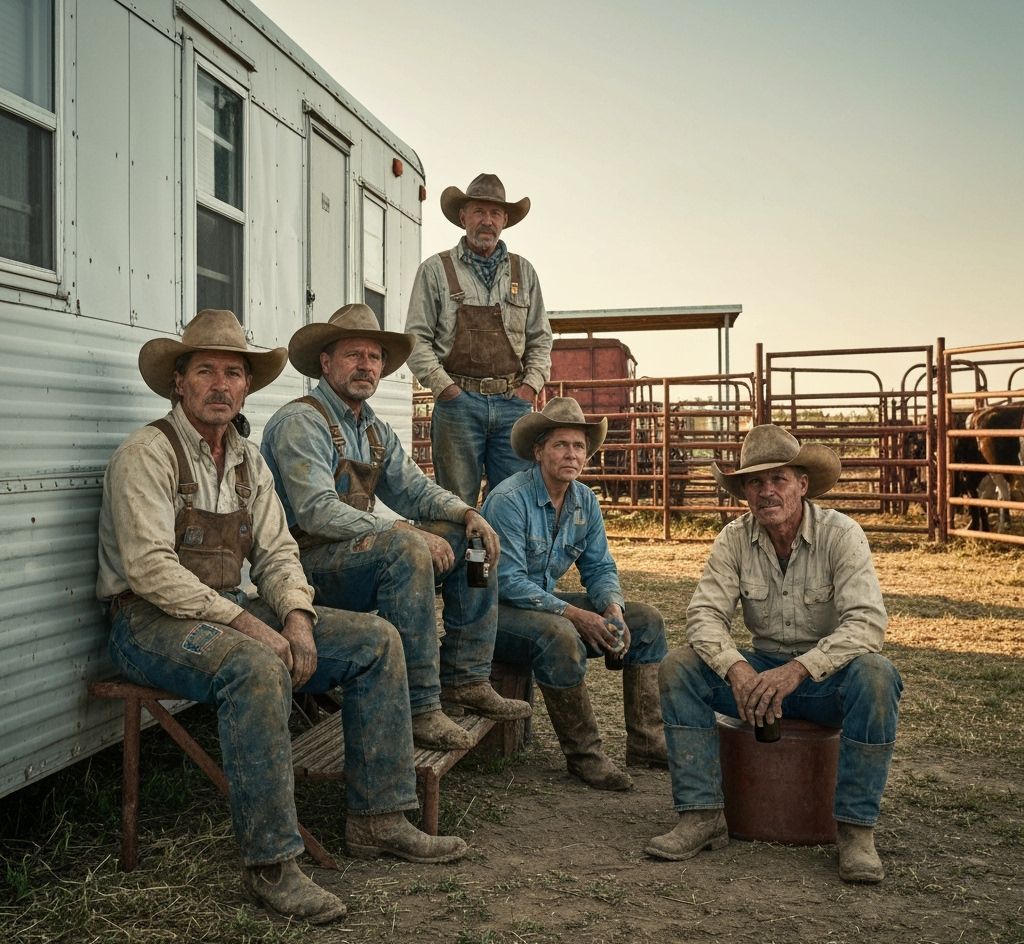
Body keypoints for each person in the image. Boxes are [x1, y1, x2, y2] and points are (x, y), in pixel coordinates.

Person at [97, 310, 467, 925]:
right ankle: (271, 864)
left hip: (227, 609)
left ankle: (378, 817)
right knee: (256, 667)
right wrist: (254, 628)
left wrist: (296, 615)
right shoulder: (146, 454)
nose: (221, 384)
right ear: (179, 383)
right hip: (148, 624)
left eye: (234, 373)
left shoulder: (248, 461)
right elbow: (151, 572)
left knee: (376, 640)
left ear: (247, 387)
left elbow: (277, 552)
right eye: (207, 370)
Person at [261, 303, 531, 753]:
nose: (365, 366)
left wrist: (467, 513)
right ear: (325, 363)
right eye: (353, 355)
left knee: (473, 545)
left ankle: (466, 677)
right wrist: (402, 533)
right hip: (303, 568)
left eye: (374, 357)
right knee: (403, 548)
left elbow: (415, 489)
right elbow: (316, 513)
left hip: (355, 558)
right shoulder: (301, 421)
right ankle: (419, 705)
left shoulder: (372, 429)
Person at [645, 424, 903, 883]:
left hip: (827, 677)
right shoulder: (733, 538)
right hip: (760, 672)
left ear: (802, 484)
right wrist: (738, 668)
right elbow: (704, 616)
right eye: (754, 482)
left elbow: (866, 623)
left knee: (877, 675)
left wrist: (800, 669)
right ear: (744, 492)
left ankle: (856, 831)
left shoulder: (842, 534)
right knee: (679, 667)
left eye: (778, 479)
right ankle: (701, 816)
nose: (767, 492)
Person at [481, 398, 669, 791]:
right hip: (494, 614)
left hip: (543, 607)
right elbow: (510, 582)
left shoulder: (585, 500)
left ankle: (648, 743)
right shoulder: (508, 500)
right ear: (538, 452)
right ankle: (585, 756)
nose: (572, 454)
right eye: (560, 445)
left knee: (646, 621)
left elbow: (599, 567)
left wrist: (611, 608)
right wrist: (578, 616)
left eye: (579, 446)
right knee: (560, 635)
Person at [404, 172, 553, 505]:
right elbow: (416, 338)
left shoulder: (524, 272)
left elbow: (541, 340)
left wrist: (529, 387)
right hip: (458, 404)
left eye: (495, 213)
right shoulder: (435, 270)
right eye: (479, 212)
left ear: (505, 221)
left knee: (515, 502)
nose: (487, 221)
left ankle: (506, 560)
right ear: (463, 217)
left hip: (512, 402)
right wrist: (446, 389)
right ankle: (461, 560)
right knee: (455, 504)